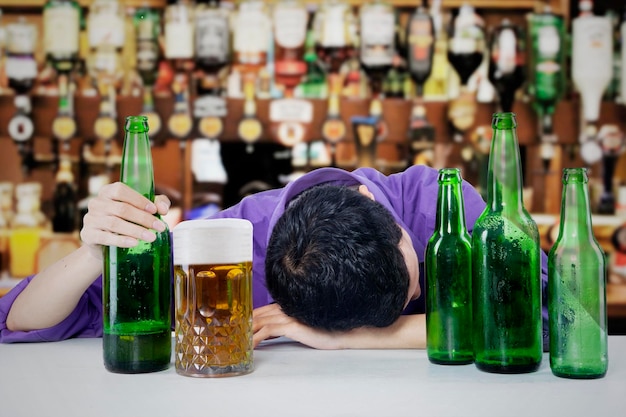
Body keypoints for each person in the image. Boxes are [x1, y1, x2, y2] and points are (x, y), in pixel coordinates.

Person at [0, 165, 549, 349]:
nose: (415, 294)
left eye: (412, 284)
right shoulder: (228, 246)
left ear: (375, 204)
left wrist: (345, 338)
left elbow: (549, 315)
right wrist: (93, 254)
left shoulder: (441, 202)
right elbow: (19, 321)